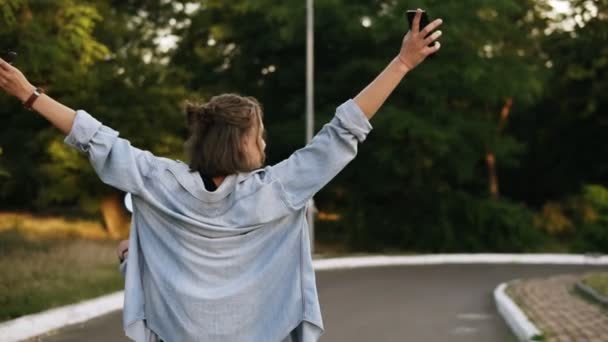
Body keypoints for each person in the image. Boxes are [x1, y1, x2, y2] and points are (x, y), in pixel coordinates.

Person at [0, 9, 442, 342]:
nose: (265, 146)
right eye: (259, 136)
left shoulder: (163, 183)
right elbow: (343, 130)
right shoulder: (276, 190)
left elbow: (95, 138)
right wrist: (401, 64)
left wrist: (29, 94)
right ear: (237, 143)